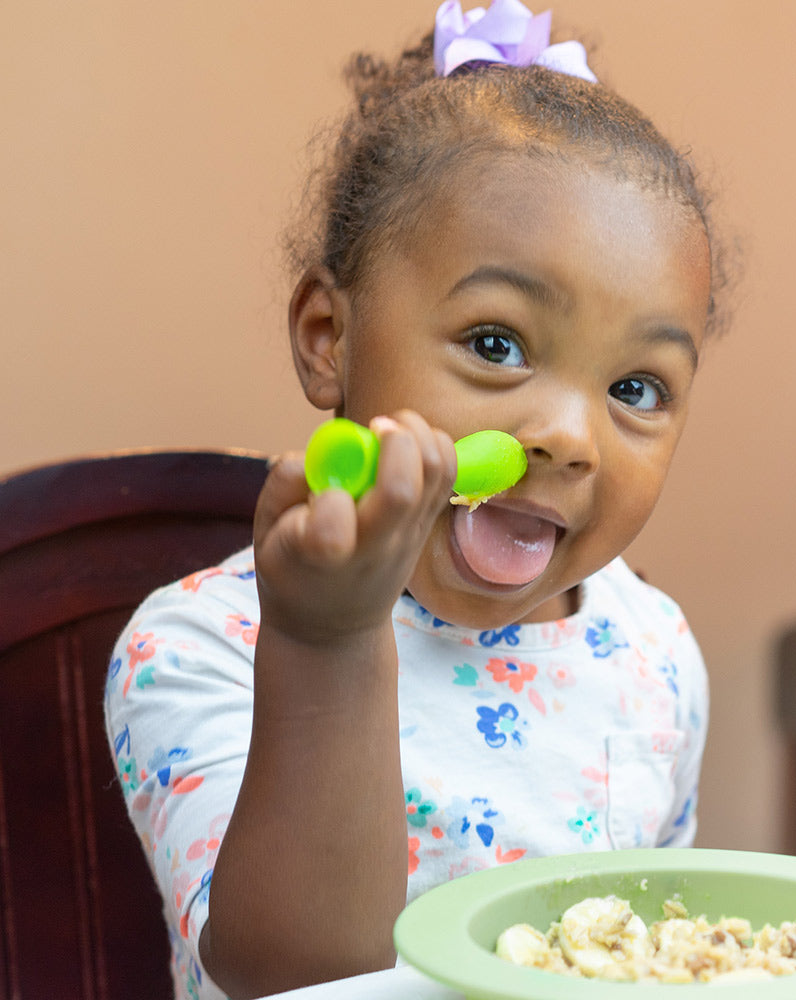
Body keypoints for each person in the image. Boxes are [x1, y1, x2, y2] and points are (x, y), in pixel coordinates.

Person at [104, 1, 731, 997]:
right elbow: (297, 978)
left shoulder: (655, 654)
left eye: (636, 388)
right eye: (496, 344)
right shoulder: (195, 646)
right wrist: (326, 642)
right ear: (329, 337)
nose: (571, 437)